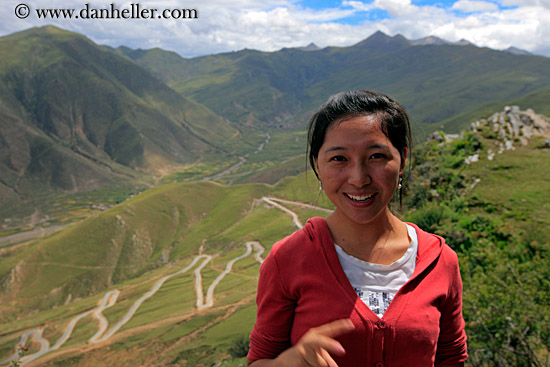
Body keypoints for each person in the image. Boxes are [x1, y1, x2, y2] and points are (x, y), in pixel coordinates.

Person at [247, 90, 468, 367]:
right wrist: (287, 363)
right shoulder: (288, 259)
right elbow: (259, 361)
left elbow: (451, 359)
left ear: (402, 160)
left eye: (376, 156)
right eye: (339, 159)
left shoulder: (440, 261)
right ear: (317, 164)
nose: (358, 178)